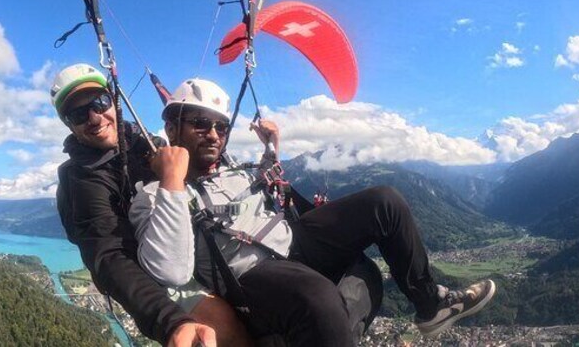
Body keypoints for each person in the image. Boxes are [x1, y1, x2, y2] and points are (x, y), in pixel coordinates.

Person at [129, 77, 497, 346]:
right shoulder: (153, 194)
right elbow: (171, 271)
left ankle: (430, 304)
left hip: (296, 243)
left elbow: (265, 181)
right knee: (319, 297)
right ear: (171, 128)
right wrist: (173, 181)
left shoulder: (232, 168)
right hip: (252, 276)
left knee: (385, 202)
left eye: (221, 126)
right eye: (200, 123)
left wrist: (273, 146)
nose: (213, 134)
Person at [52, 64, 253, 347]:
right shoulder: (82, 181)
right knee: (222, 325)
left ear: (113, 100)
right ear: (69, 125)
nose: (95, 117)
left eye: (100, 102)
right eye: (78, 114)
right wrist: (170, 321)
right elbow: (110, 256)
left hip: (191, 241)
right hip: (149, 271)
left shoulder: (146, 144)